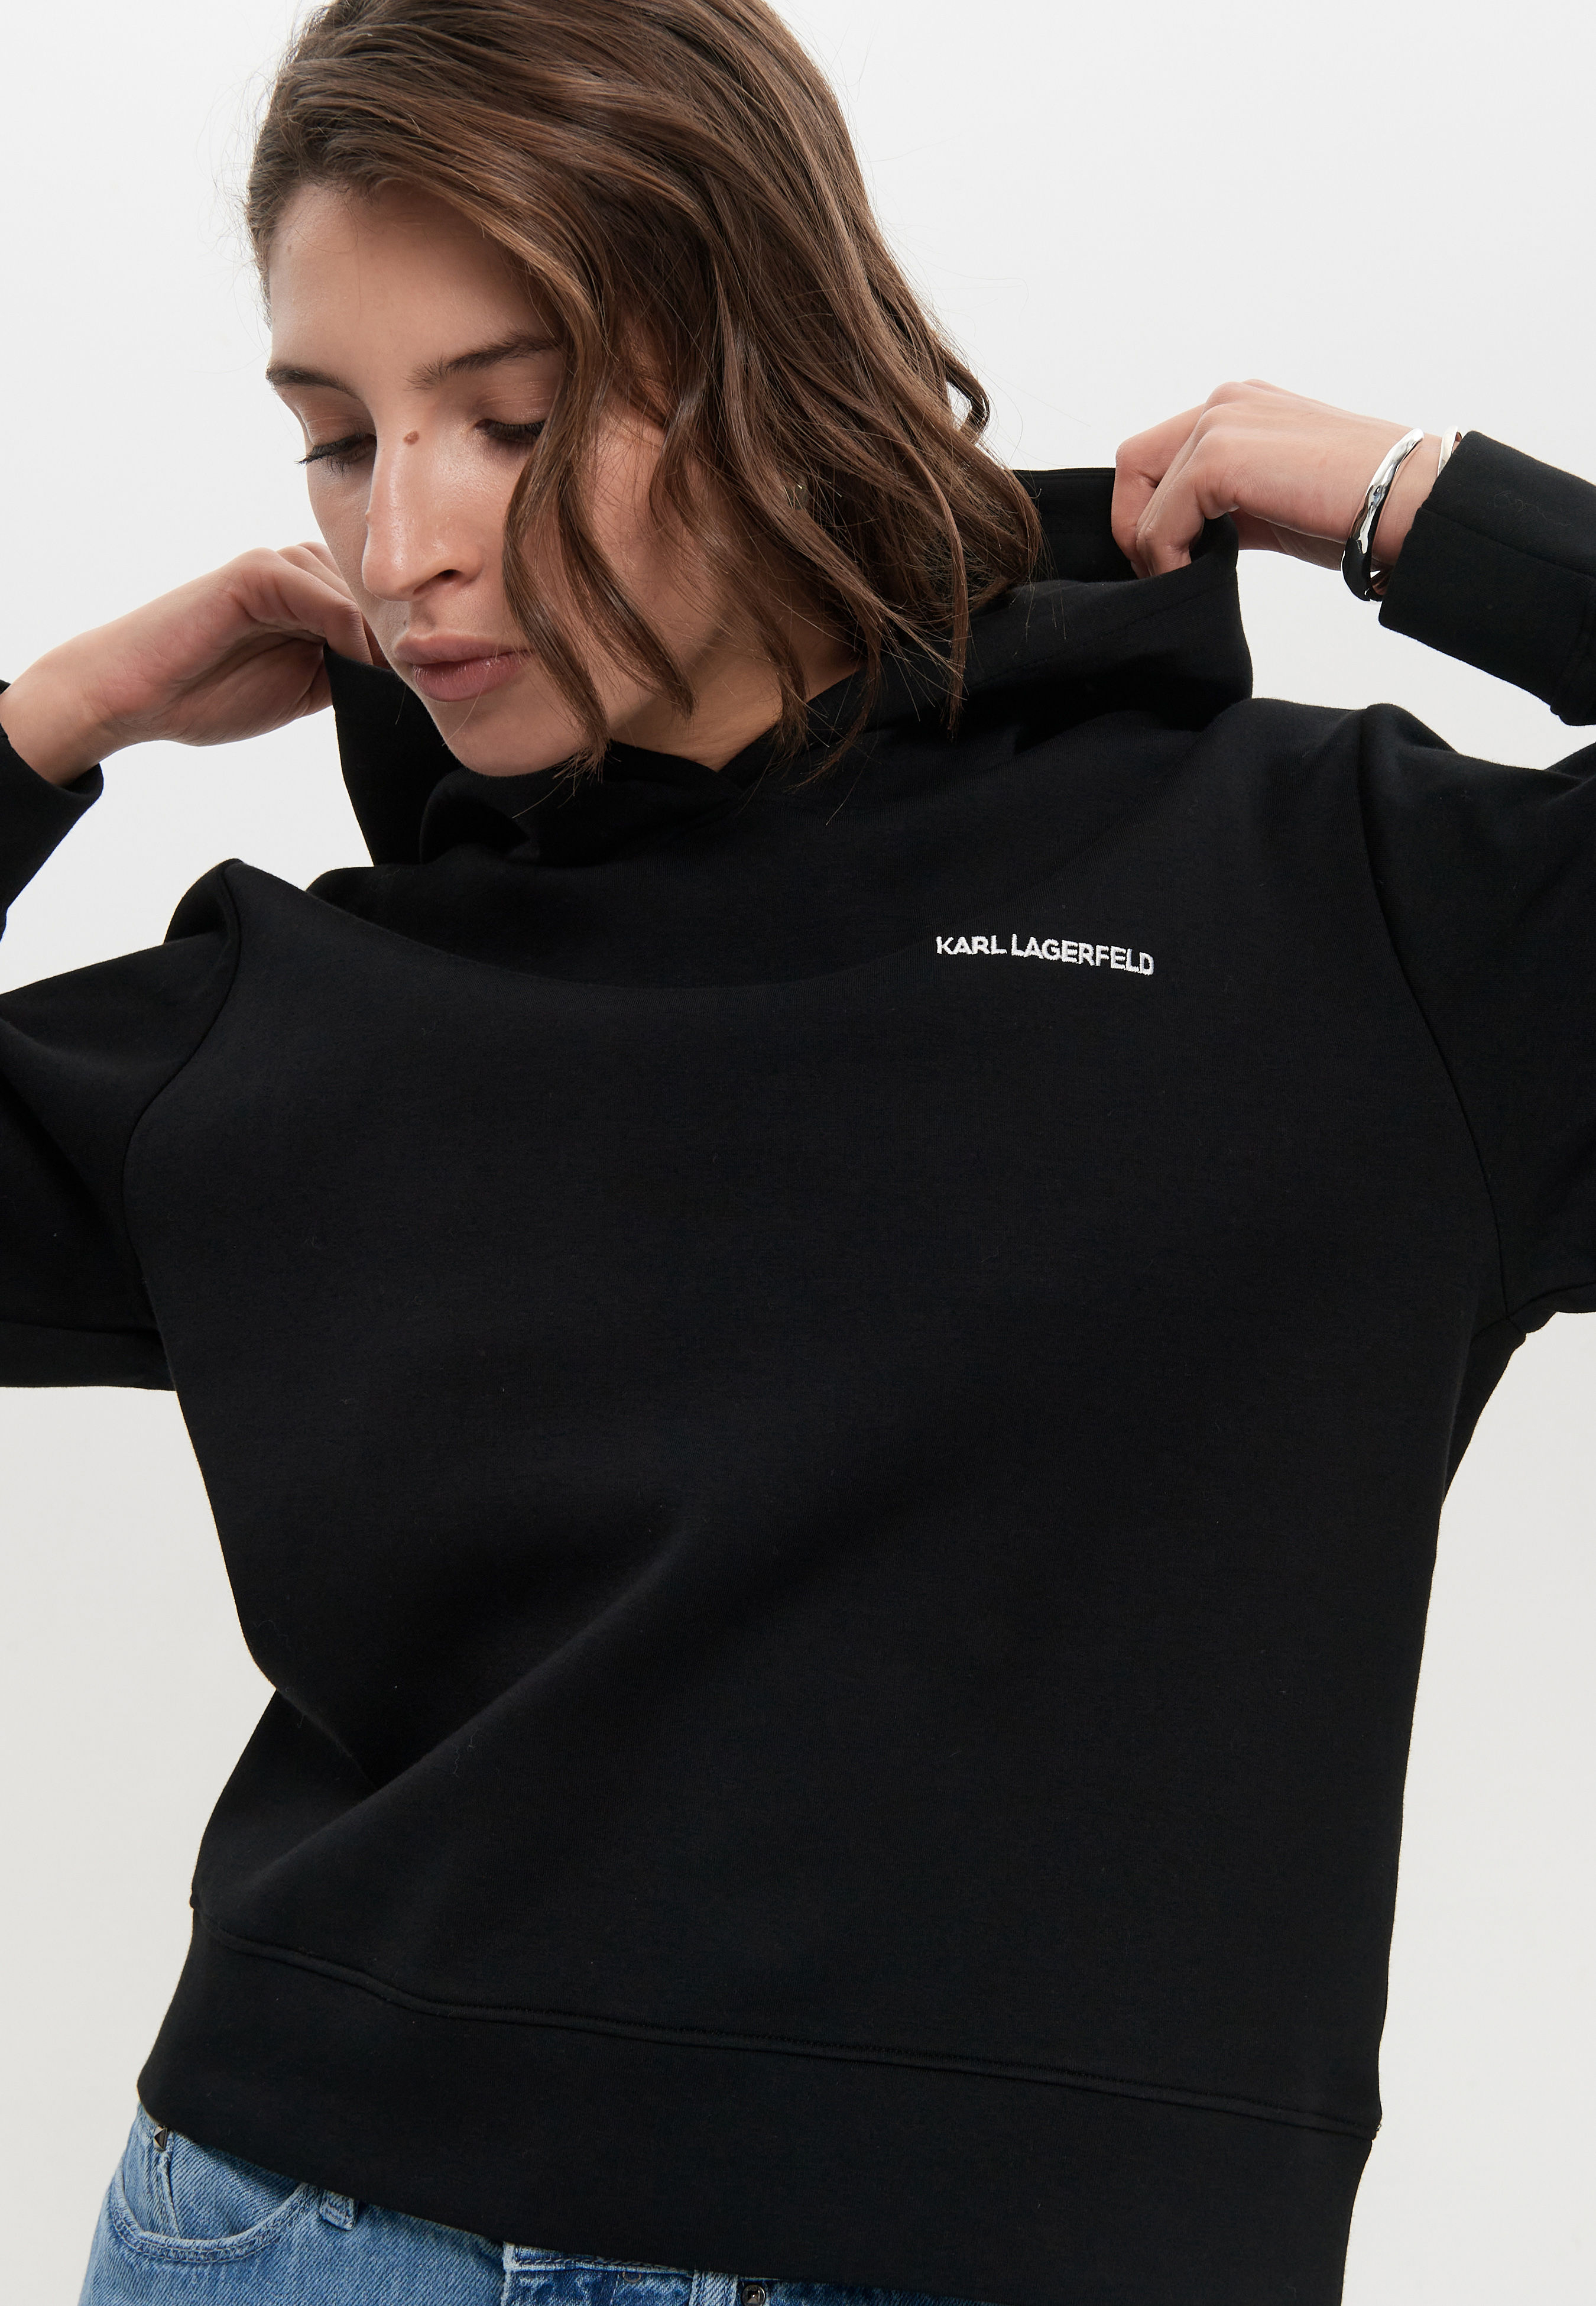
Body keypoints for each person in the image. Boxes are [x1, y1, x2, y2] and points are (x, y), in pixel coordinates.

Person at [2, 2, 1592, 2302]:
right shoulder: (316, 994)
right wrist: (50, 727)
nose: (401, 542)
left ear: (774, 365)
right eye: (338, 440)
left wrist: (1432, 506)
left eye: (510, 417)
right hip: (303, 2229)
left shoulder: (1339, 901)